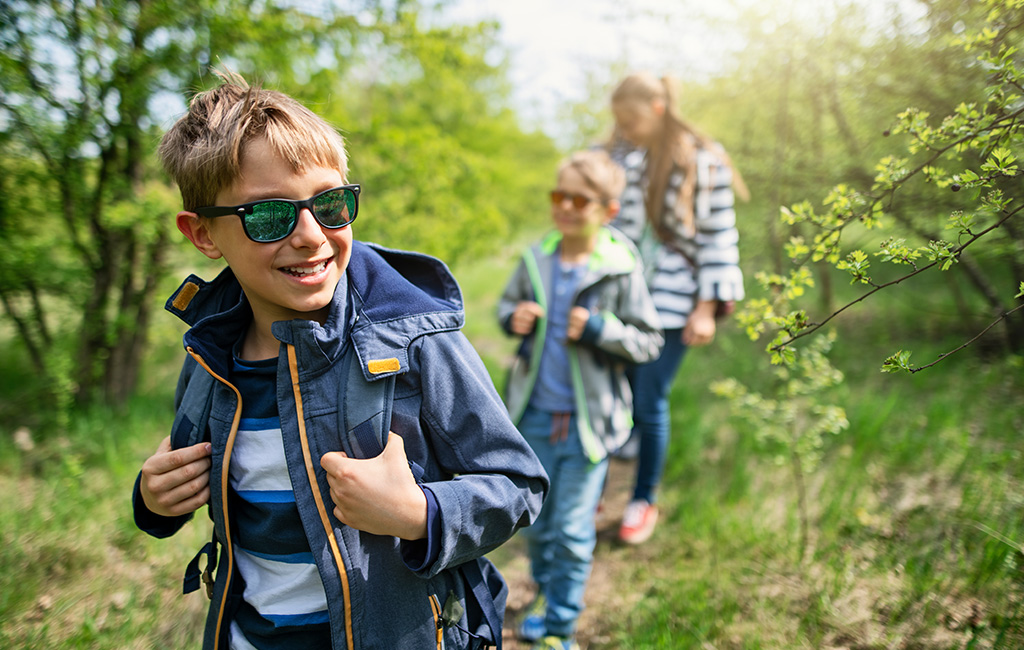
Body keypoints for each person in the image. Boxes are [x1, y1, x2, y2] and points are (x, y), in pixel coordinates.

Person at [131, 71, 549, 650]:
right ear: (203, 234)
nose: (310, 235)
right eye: (270, 216)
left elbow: (520, 484)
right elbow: (194, 484)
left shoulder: (414, 340)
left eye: (330, 204)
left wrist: (418, 513)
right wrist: (154, 501)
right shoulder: (209, 354)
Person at [497, 150, 664, 650]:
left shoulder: (619, 266)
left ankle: (560, 627)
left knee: (570, 531)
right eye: (558, 196)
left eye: (580, 200)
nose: (566, 207)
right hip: (533, 419)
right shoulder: (536, 259)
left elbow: (648, 340)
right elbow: (507, 306)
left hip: (590, 425)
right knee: (537, 528)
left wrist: (599, 328)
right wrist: (514, 319)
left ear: (609, 210)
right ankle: (548, 596)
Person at [606, 72, 748, 545]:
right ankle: (603, 483)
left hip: (672, 300)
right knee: (617, 392)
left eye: (632, 118)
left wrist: (706, 308)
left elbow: (718, 236)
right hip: (622, 296)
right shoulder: (618, 155)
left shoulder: (703, 158)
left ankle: (642, 499)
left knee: (650, 399)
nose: (625, 127)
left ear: (659, 107)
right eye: (618, 119)